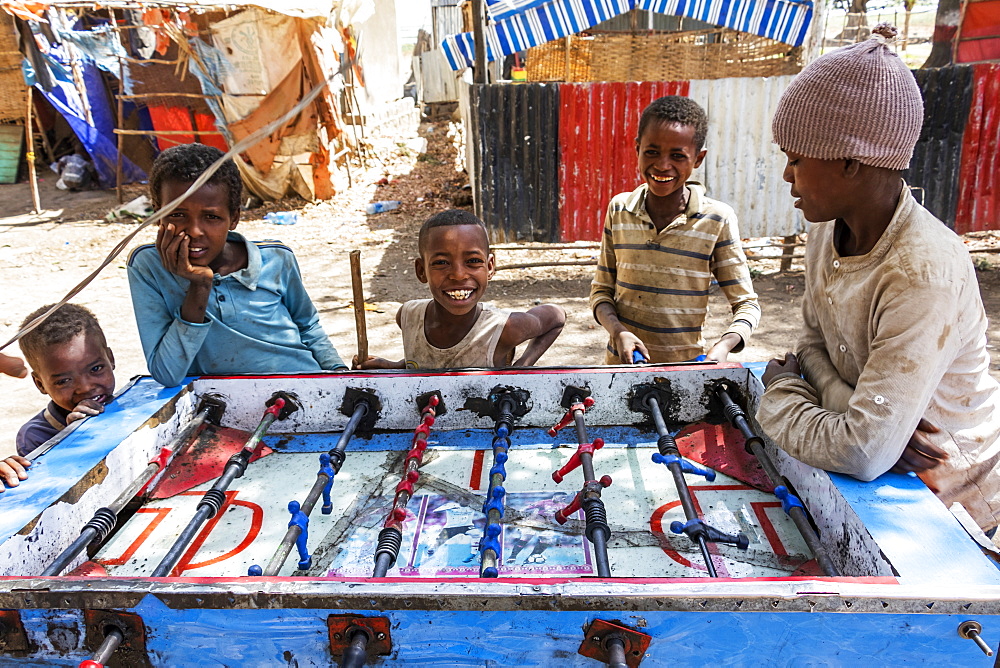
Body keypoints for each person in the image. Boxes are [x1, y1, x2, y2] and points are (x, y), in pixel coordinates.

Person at [757, 24, 1000, 534]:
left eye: (795, 159)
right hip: (893, 493)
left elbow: (861, 453)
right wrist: (846, 402)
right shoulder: (829, 231)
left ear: (850, 162)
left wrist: (780, 394)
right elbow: (811, 343)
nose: (787, 176)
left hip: (958, 508)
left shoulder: (921, 273)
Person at [128, 143, 346, 387]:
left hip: (304, 385)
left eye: (212, 217)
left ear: (234, 218)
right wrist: (199, 285)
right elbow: (167, 373)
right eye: (177, 215)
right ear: (158, 214)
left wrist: (339, 375)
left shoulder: (275, 259)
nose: (195, 231)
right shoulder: (148, 267)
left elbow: (308, 326)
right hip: (224, 403)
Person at [590, 95, 760, 364]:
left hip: (684, 371)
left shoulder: (716, 219)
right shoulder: (619, 210)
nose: (662, 165)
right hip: (620, 370)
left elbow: (746, 305)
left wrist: (724, 347)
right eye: (652, 152)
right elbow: (601, 292)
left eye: (678, 156)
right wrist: (618, 331)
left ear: (698, 159)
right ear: (637, 149)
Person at [358, 209, 565, 370]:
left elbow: (556, 316)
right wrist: (396, 367)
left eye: (473, 261)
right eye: (441, 263)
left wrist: (523, 366)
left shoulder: (504, 329)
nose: (458, 274)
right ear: (421, 271)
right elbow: (436, 363)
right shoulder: (409, 317)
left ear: (490, 266)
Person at [3, 304, 116, 489]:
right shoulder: (35, 436)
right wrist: (73, 439)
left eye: (96, 369)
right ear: (40, 384)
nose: (85, 388)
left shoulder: (130, 402)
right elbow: (63, 494)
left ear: (110, 359)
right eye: (64, 381)